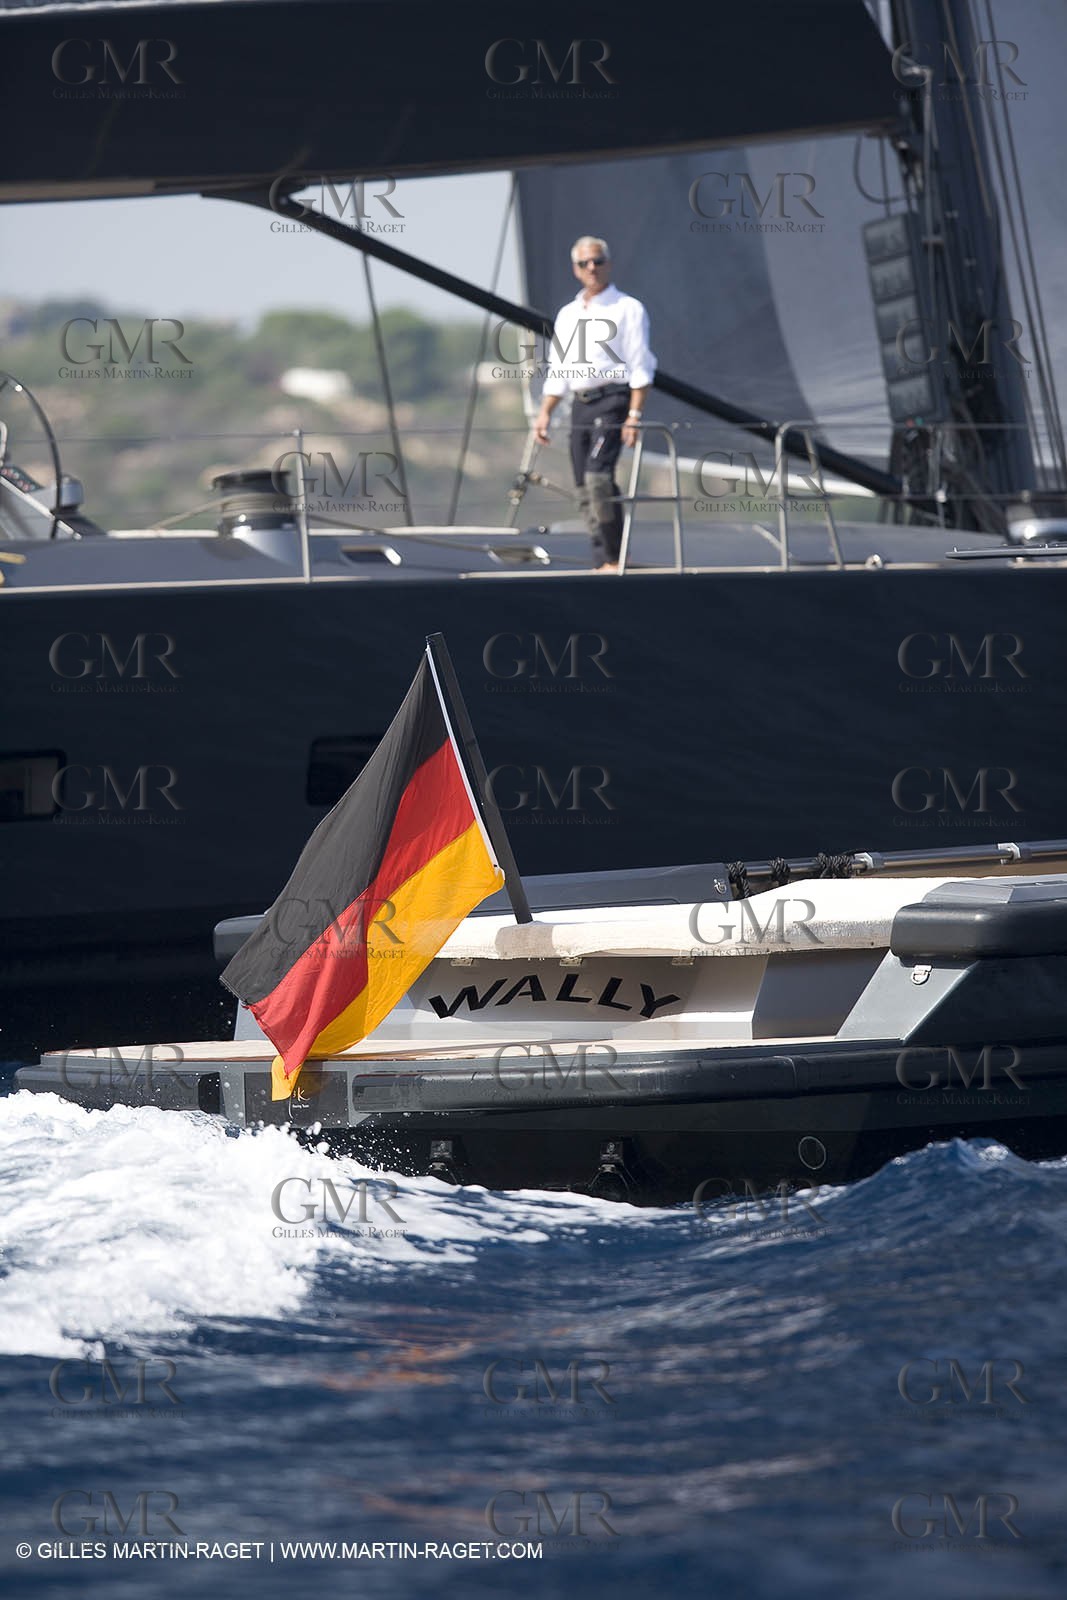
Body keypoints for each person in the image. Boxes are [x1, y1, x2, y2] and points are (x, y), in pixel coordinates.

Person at [534, 237, 656, 572]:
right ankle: (601, 556)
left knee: (598, 477)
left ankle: (616, 556)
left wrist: (634, 414)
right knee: (581, 485)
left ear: (608, 263)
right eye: (586, 263)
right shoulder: (569, 314)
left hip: (613, 400)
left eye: (598, 261)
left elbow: (641, 363)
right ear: (576, 269)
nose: (593, 268)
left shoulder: (627, 308)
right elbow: (559, 368)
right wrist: (545, 412)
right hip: (580, 404)